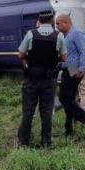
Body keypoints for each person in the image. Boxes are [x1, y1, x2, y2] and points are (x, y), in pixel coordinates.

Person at [17, 11, 66, 148]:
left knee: (28, 111)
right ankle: (46, 142)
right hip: (49, 79)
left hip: (31, 78)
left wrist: (27, 64)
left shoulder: (31, 34)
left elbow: (20, 55)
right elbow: (63, 58)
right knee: (46, 111)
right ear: (52, 20)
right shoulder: (59, 36)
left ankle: (23, 142)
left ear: (39, 19)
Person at [56, 14, 85, 138]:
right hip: (69, 69)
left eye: (58, 23)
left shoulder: (76, 33)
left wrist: (82, 68)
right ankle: (69, 128)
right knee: (69, 99)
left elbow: (83, 51)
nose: (56, 26)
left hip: (75, 69)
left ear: (66, 22)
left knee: (64, 98)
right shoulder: (66, 36)